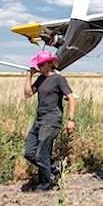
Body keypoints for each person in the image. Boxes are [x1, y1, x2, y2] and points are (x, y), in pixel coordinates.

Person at [23, 51, 76, 191]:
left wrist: (71, 120)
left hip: (52, 120)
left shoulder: (58, 79)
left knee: (42, 155)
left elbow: (71, 97)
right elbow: (28, 94)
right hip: (39, 120)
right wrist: (29, 75)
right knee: (29, 153)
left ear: (48, 64)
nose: (39, 66)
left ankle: (45, 185)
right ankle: (55, 166)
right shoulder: (40, 79)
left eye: (41, 64)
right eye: (38, 64)